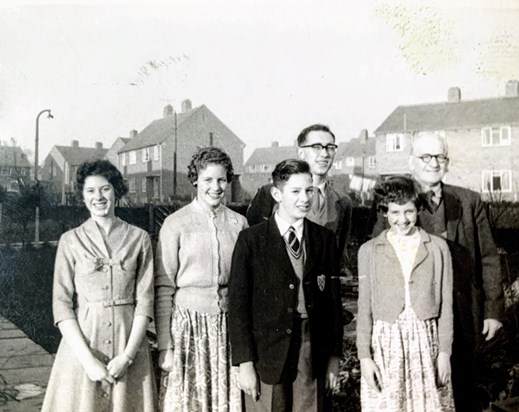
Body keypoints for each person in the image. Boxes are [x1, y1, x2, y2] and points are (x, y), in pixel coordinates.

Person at [371, 132, 504, 411]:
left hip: (463, 313)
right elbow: (378, 263)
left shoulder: (469, 201)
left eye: (439, 157)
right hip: (414, 321)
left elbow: (489, 258)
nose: (433, 163)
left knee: (463, 389)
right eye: (425, 157)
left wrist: (493, 310)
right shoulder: (396, 205)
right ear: (411, 162)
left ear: (447, 162)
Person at [229, 159, 343, 412]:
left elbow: (333, 303)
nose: (305, 198)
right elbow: (238, 307)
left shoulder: (323, 239)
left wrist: (334, 357)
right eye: (296, 191)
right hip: (266, 353)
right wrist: (245, 363)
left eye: (309, 190)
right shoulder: (251, 240)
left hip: (311, 349)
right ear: (276, 194)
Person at [42, 160, 156, 412]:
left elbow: (145, 302)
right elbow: (61, 305)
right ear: (82, 196)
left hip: (128, 344)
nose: (99, 197)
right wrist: (88, 360)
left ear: (116, 190)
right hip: (83, 344)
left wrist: (127, 357)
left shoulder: (139, 238)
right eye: (90, 191)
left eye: (105, 189)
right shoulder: (70, 241)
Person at [154, 147, 248, 412]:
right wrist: (165, 347)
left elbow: (247, 286)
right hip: (188, 330)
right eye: (207, 180)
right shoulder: (176, 224)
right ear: (195, 180)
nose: (215, 187)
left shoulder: (239, 224)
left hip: (228, 329)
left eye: (221, 180)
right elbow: (163, 288)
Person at [357, 176, 455, 411]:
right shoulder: (369, 251)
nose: (402, 220)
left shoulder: (437, 248)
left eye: (409, 212)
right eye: (395, 212)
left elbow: (446, 306)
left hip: (425, 343)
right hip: (385, 345)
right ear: (384, 212)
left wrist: (444, 353)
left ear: (419, 209)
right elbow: (364, 308)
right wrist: (364, 357)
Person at [246, 124, 352, 273]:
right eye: (316, 147)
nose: (324, 154)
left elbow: (339, 253)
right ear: (301, 152)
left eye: (330, 147)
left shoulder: (343, 202)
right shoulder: (270, 194)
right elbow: (252, 246)